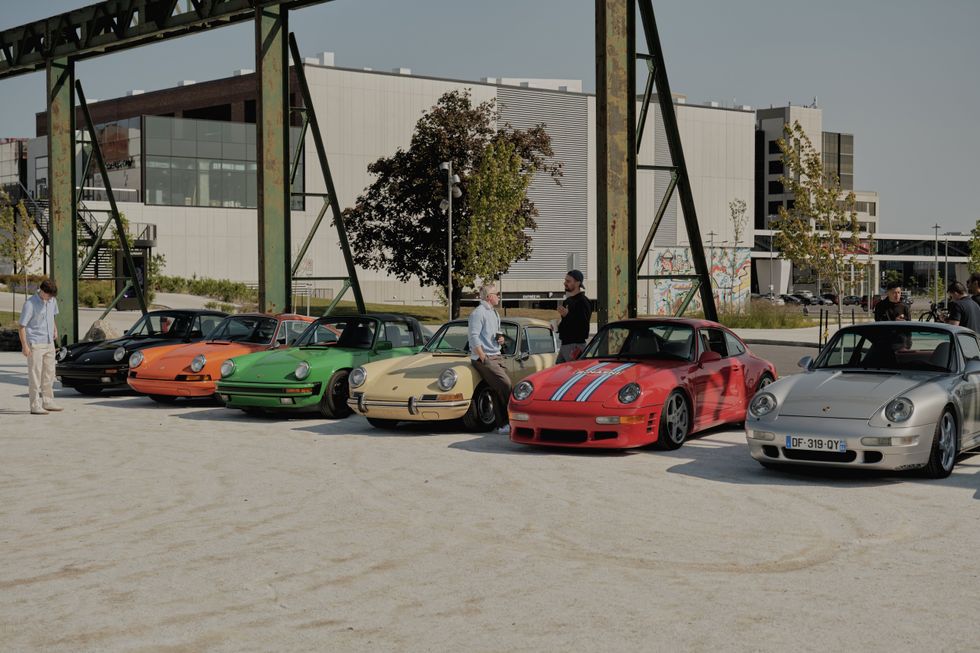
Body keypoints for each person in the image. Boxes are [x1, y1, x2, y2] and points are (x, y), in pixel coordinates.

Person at [468, 283, 512, 434]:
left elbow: (496, 332)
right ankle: (510, 421)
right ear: (489, 297)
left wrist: (500, 338)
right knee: (505, 384)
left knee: (497, 388)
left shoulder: (494, 313)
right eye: (497, 293)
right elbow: (473, 336)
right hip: (484, 358)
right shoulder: (478, 313)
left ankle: (501, 425)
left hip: (497, 355)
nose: (499, 296)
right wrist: (483, 357)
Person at [18, 278, 63, 415]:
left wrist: (55, 329)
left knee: (49, 374)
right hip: (35, 344)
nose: (50, 298)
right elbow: (21, 327)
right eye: (48, 295)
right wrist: (24, 346)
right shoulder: (30, 304)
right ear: (42, 291)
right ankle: (35, 405)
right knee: (35, 375)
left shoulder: (52, 301)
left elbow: (52, 317)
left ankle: (48, 401)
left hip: (49, 342)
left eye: (52, 296)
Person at [556, 269, 592, 363]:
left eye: (568, 281)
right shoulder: (567, 301)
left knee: (572, 375)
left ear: (577, 283)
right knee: (558, 374)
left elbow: (583, 328)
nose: (565, 283)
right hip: (565, 345)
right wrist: (558, 326)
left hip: (575, 346)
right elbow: (567, 324)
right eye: (565, 280)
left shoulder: (583, 301)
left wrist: (567, 315)